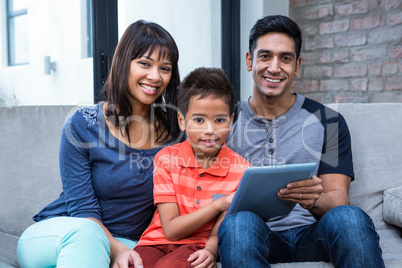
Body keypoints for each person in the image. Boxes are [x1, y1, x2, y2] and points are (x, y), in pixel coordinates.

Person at [218, 15, 385, 267]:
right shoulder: (225, 123)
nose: (274, 68)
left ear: (297, 66)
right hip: (255, 236)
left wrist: (314, 199)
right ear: (249, 61)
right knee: (238, 223)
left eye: (285, 58)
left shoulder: (328, 121)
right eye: (265, 56)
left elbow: (339, 199)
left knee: (350, 218)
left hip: (313, 236)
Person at [17, 20, 181, 268]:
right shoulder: (82, 125)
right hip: (63, 234)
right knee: (87, 235)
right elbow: (82, 208)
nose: (155, 76)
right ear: (123, 63)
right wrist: (116, 250)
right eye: (145, 64)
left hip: (128, 243)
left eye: (165, 68)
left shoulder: (175, 131)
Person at [133, 67, 251, 268]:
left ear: (231, 121)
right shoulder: (166, 159)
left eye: (220, 120)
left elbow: (220, 229)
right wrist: (217, 204)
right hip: (154, 243)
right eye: (199, 120)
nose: (210, 130)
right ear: (182, 121)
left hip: (196, 246)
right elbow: (170, 229)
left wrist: (211, 251)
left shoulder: (242, 170)